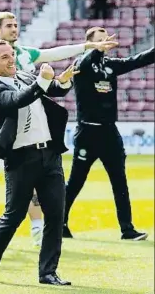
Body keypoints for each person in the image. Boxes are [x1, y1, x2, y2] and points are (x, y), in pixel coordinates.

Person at [0, 11, 123, 247]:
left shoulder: (23, 53)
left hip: (25, 123)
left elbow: (56, 53)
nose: (14, 29)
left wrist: (89, 45)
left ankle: (36, 231)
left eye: (16, 25)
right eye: (8, 26)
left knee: (32, 176)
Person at [0, 39, 77, 285]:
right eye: (4, 57)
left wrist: (64, 80)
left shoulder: (25, 76)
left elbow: (53, 90)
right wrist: (42, 81)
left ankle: (48, 273)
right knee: (13, 216)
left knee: (55, 215)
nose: (11, 59)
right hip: (21, 159)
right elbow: (18, 100)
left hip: (50, 156)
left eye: (11, 54)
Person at [63, 27, 154, 241]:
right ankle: (60, 223)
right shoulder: (81, 65)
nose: (105, 43)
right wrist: (95, 49)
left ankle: (127, 229)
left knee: (119, 181)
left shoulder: (109, 65)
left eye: (106, 40)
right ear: (89, 44)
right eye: (100, 41)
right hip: (87, 131)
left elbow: (137, 60)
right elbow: (86, 59)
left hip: (109, 133)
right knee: (76, 181)